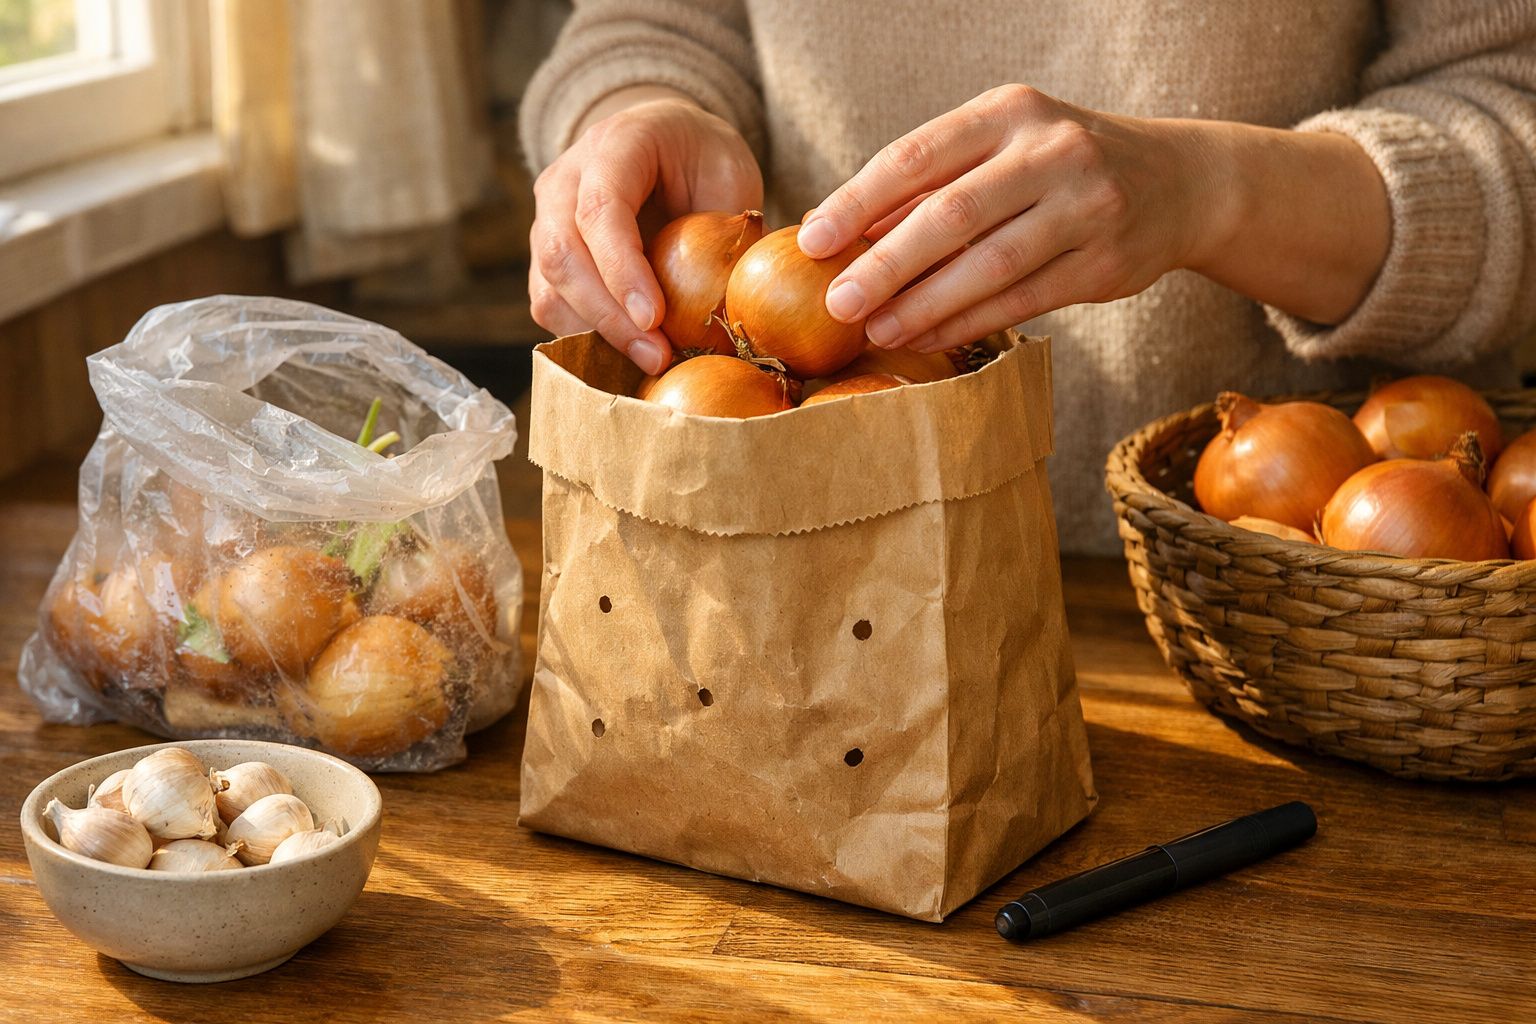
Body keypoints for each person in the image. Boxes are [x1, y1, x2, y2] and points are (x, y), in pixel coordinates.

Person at [519, 1, 1536, 554]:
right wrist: (636, 113)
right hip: (802, 586)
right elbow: (651, 24)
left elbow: (1513, 115)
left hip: (1285, 616)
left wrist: (1215, 191)